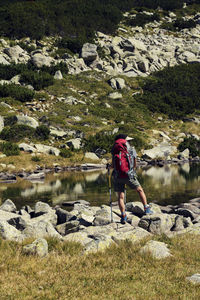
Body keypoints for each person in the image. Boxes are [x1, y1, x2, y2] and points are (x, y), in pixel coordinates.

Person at [111, 133, 153, 224]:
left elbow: (112, 165)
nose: (129, 141)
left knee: (120, 196)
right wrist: (132, 169)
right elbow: (134, 163)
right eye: (128, 140)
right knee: (140, 190)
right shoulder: (130, 148)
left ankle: (123, 216)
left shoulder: (114, 148)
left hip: (117, 175)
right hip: (129, 175)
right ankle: (146, 208)